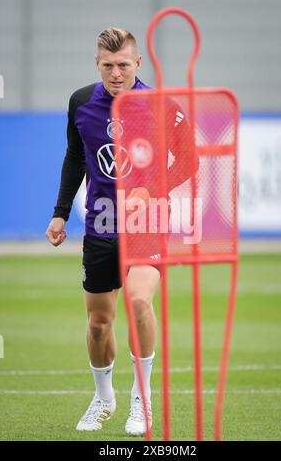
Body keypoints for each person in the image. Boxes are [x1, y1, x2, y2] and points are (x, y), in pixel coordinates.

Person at [46, 27, 193, 436]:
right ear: (97, 64)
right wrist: (60, 213)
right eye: (108, 65)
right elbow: (76, 157)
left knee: (140, 302)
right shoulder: (80, 103)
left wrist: (152, 188)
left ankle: (142, 400)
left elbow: (189, 161)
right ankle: (104, 396)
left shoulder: (159, 104)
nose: (116, 73)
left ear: (138, 64)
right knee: (98, 323)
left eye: (124, 65)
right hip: (100, 224)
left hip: (147, 222)